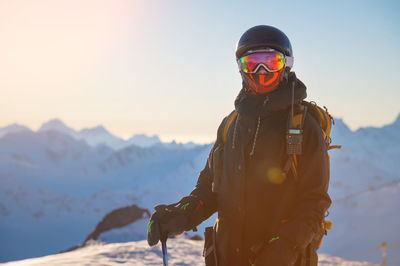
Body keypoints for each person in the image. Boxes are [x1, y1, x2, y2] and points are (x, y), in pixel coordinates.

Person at [147, 25, 331, 266]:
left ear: (286, 65)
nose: (261, 71)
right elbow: (209, 190)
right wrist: (180, 215)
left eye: (270, 62)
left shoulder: (303, 127)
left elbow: (315, 203)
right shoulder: (230, 125)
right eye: (251, 63)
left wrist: (284, 247)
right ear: (241, 69)